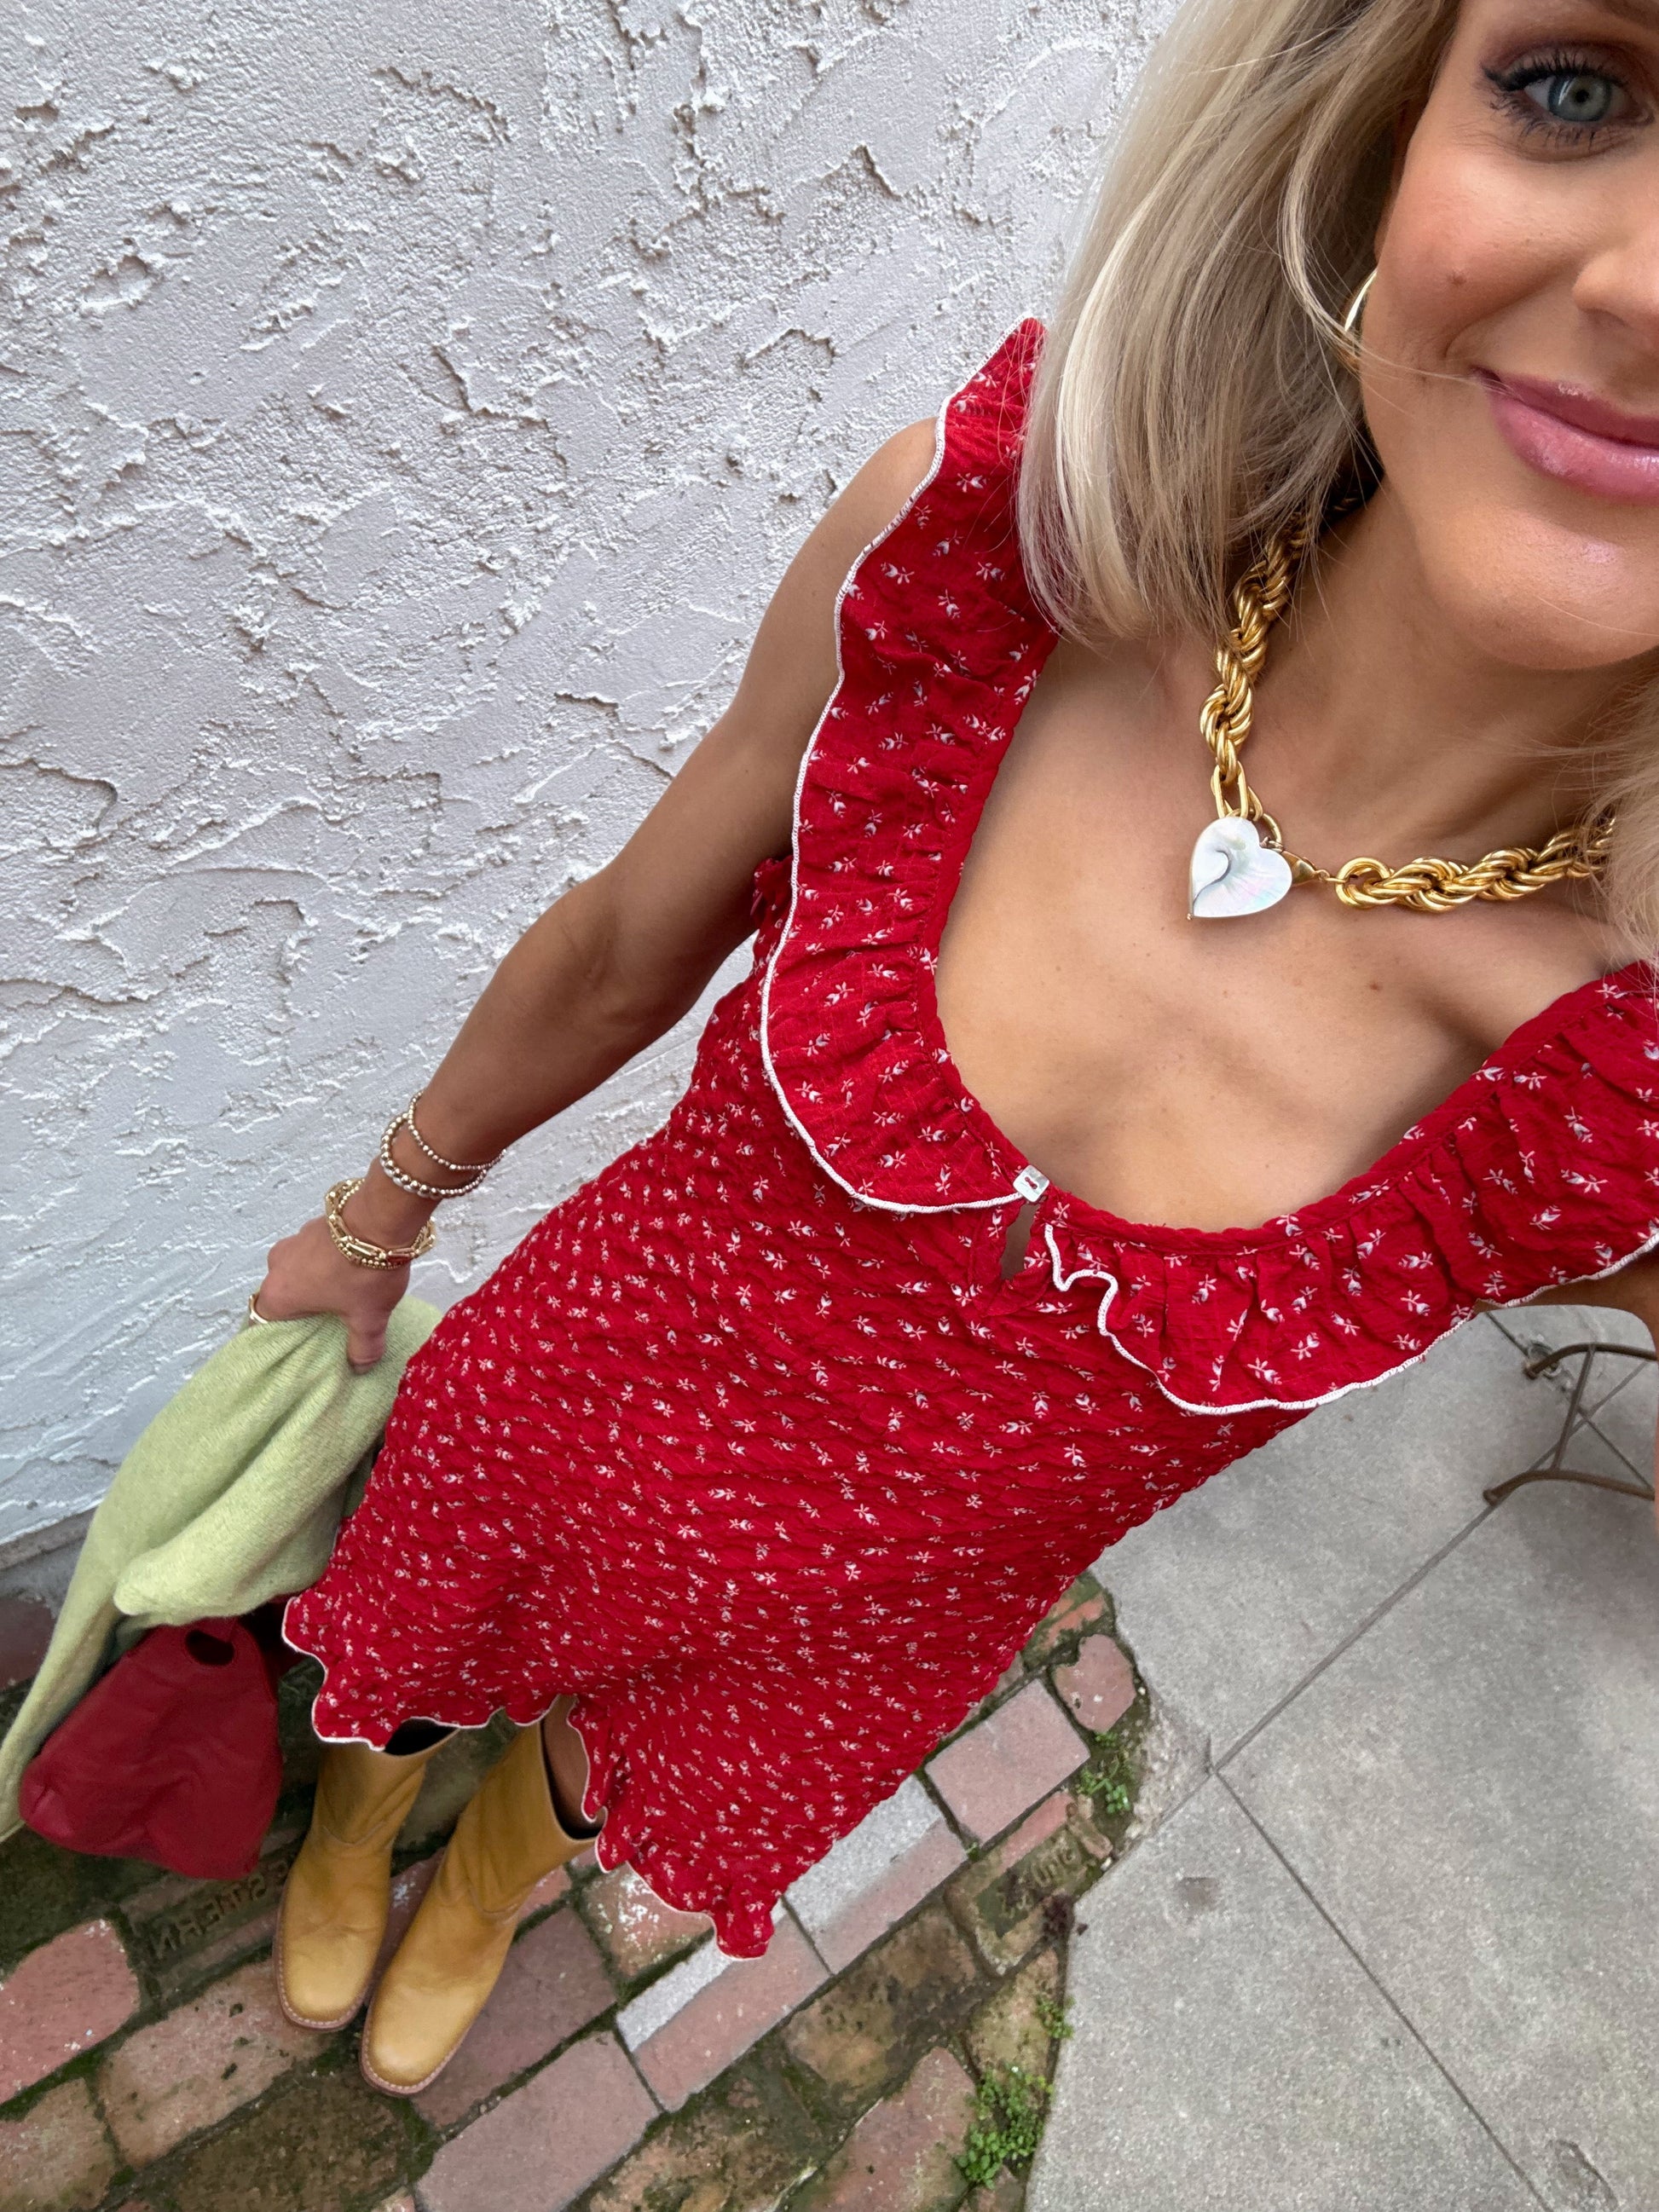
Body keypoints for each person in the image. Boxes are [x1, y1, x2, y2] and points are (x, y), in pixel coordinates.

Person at [256, 0, 1659, 2098]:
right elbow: (630, 935)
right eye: (1571, 84)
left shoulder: (1614, 1106)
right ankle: (362, 1808)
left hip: (862, 1619)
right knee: (421, 1632)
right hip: (587, 1380)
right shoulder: (988, 556)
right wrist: (378, 1215)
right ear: (1375, 128)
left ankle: (483, 1886)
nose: (1645, 282)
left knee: (594, 1774)